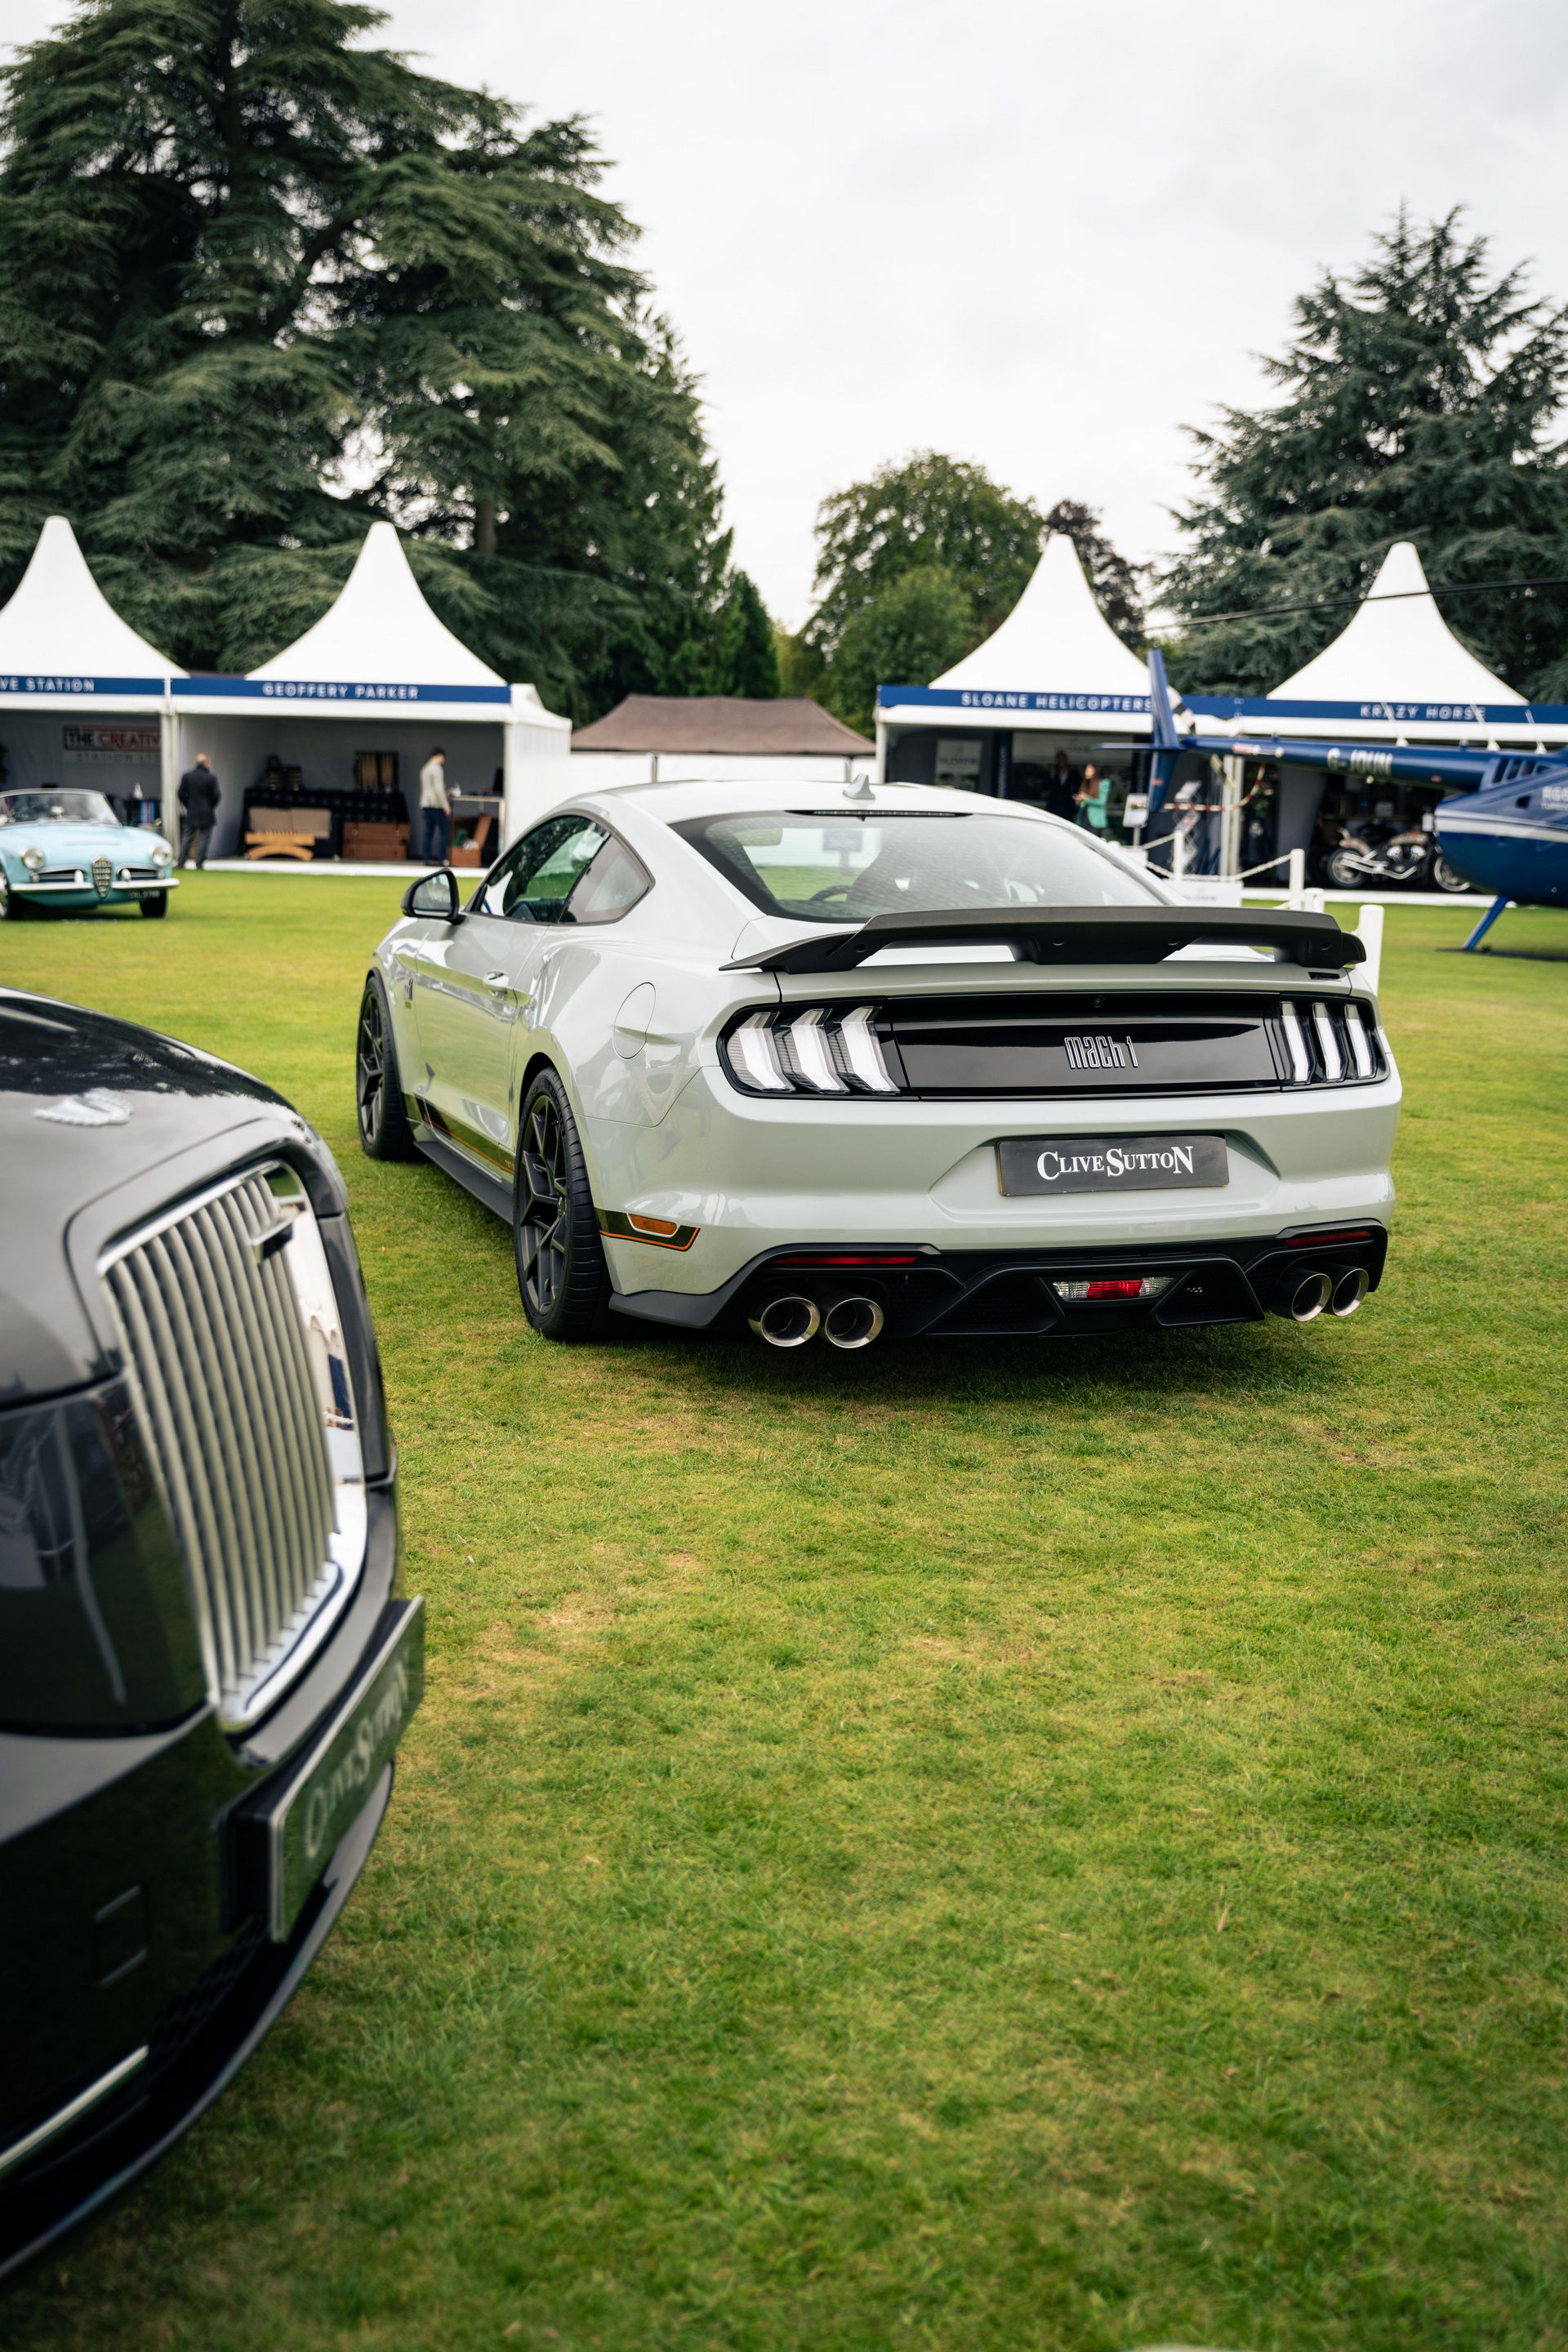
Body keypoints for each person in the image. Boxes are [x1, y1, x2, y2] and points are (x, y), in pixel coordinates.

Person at [177, 753, 220, 866]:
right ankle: (199, 862)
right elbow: (216, 796)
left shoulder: (188, 776)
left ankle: (181, 861)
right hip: (207, 812)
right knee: (204, 838)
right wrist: (210, 806)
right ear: (206, 763)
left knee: (187, 837)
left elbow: (181, 794)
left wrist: (188, 804)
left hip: (192, 811)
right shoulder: (211, 778)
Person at [419, 746, 450, 864]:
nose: (443, 760)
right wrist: (445, 804)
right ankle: (442, 858)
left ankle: (427, 859)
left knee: (428, 832)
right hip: (435, 804)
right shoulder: (436, 768)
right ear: (439, 756)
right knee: (444, 831)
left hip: (426, 803)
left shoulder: (425, 768)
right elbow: (438, 788)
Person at [1044, 748, 1079, 823]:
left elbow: (1077, 787)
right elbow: (1046, 787)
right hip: (1054, 807)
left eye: (1062, 760)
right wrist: (1052, 775)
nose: (1060, 762)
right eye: (1058, 760)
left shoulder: (1073, 773)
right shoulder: (1053, 773)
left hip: (1068, 808)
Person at [1074, 761, 1111, 831]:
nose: (1086, 772)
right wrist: (1079, 801)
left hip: (1095, 821)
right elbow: (1081, 805)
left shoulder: (1103, 783)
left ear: (1095, 771)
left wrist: (1086, 798)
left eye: (1088, 770)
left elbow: (1102, 802)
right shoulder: (1086, 783)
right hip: (1083, 819)